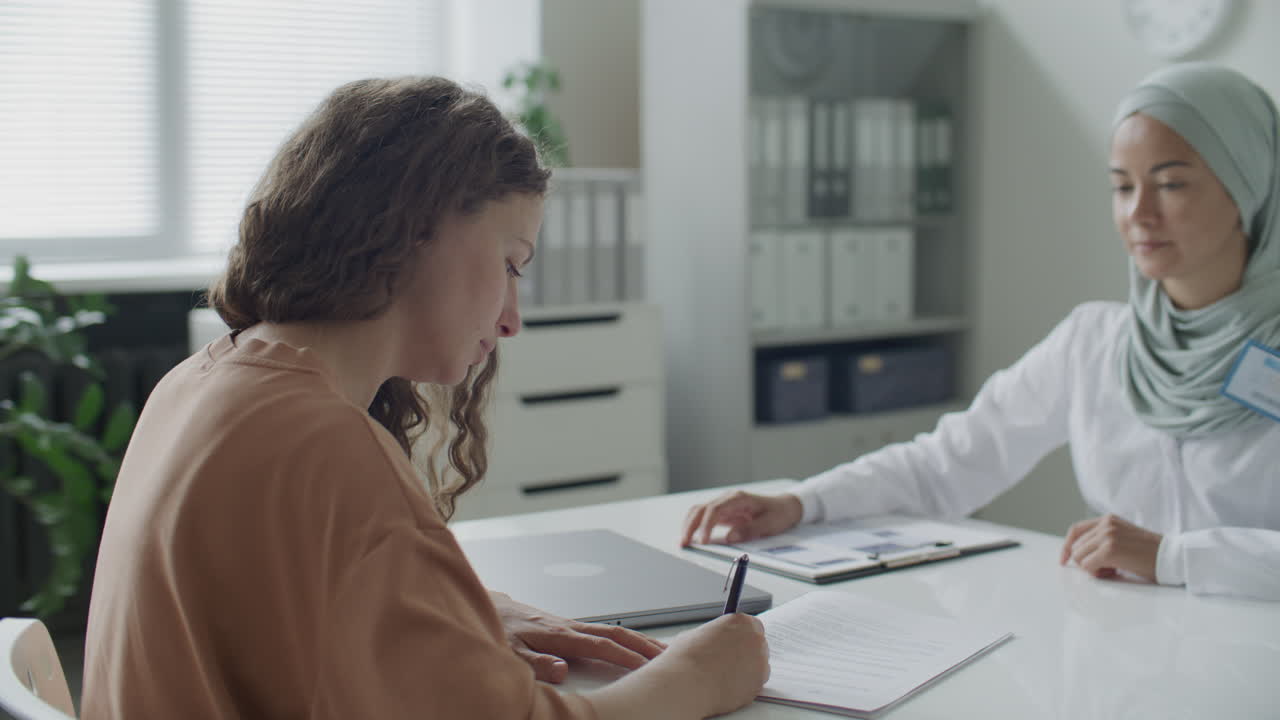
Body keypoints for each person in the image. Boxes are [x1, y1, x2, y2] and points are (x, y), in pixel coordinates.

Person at [82, 76, 768, 719]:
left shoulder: (202, 380)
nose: (512, 320)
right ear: (415, 227)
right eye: (511, 264)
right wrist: (702, 674)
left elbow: (269, 604)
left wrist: (450, 618)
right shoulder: (326, 444)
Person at [682, 62, 1280, 601]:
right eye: (1123, 186)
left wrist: (1173, 558)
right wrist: (802, 503)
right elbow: (946, 464)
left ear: (1248, 187)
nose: (1138, 214)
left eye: (1171, 184)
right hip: (1121, 653)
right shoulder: (1096, 342)